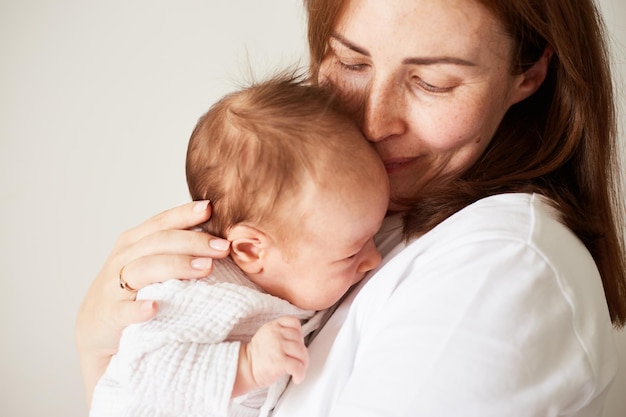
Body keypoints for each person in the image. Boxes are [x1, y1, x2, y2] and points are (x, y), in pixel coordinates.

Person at [76, 0, 626, 416]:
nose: (371, 122)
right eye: (350, 61)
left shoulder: (503, 266)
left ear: (528, 74)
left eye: (432, 82)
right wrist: (99, 341)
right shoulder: (363, 221)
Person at [88, 74, 389, 417]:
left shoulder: (293, 264)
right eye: (351, 252)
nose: (374, 259)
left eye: (374, 237)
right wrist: (247, 366)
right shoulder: (199, 290)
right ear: (250, 250)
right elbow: (144, 371)